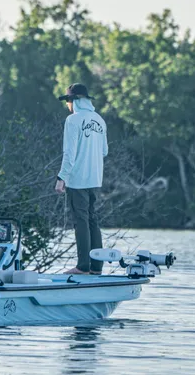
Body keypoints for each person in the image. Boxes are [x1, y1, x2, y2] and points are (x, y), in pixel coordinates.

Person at [55, 83, 108, 275]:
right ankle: (97, 266)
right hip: (95, 179)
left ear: (75, 101)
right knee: (93, 220)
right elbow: (104, 151)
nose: (68, 105)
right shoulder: (100, 120)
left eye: (68, 100)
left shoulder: (73, 120)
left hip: (77, 179)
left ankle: (83, 266)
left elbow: (69, 153)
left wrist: (62, 177)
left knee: (81, 221)